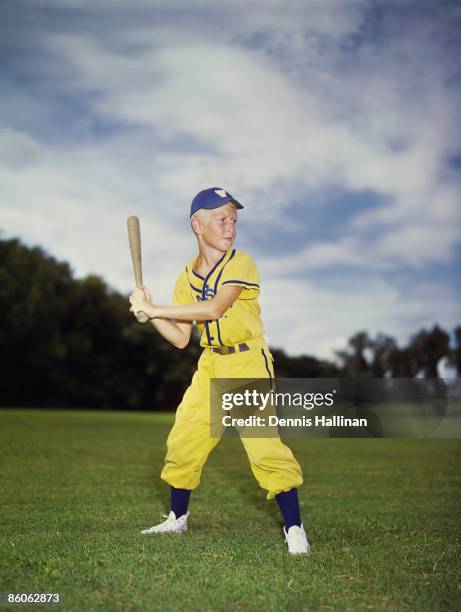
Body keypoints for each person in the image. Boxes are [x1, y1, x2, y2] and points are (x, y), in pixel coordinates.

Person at [129, 187, 310, 554]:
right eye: (221, 219)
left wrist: (157, 307)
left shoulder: (241, 263)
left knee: (264, 447)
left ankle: (294, 527)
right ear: (198, 225)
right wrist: (146, 315)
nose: (230, 227)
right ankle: (177, 519)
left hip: (247, 361)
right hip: (211, 362)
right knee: (184, 439)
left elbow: (213, 309)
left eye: (233, 220)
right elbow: (181, 338)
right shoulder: (185, 278)